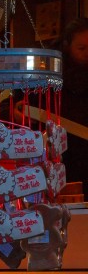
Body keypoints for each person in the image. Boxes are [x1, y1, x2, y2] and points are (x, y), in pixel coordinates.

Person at [58, 17, 88, 186]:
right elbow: (10, 108)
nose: (87, 53)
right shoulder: (52, 75)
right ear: (67, 46)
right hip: (63, 160)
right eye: (81, 48)